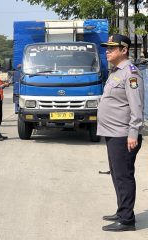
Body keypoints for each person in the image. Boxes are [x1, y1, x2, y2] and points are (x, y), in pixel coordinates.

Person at [97, 34, 145, 232]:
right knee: (117, 175)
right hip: (112, 132)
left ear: (124, 50)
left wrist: (133, 133)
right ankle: (122, 210)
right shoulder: (116, 71)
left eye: (112, 47)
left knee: (124, 176)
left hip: (124, 135)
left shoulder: (131, 73)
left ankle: (127, 220)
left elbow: (137, 107)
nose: (107, 50)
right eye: (107, 47)